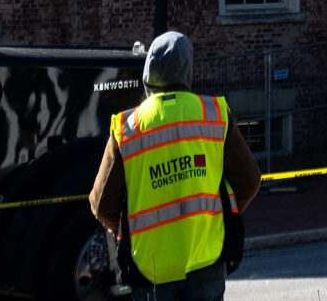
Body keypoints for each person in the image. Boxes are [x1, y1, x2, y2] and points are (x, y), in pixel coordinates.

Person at [90, 32, 261, 301]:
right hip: (206, 258)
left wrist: (132, 228)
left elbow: (101, 204)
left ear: (148, 73)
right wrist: (216, 217)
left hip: (150, 267)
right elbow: (249, 181)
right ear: (188, 70)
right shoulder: (214, 115)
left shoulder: (128, 129)